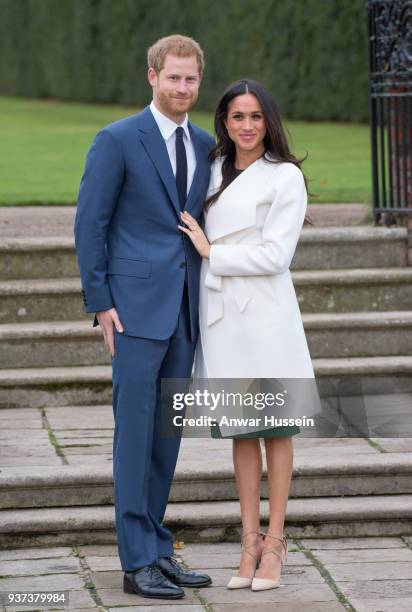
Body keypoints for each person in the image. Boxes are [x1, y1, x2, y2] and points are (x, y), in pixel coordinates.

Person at [74, 34, 215, 600]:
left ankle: (157, 547)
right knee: (134, 435)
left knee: (166, 435)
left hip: (185, 309)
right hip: (132, 313)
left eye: (191, 79)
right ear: (151, 76)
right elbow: (91, 223)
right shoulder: (116, 140)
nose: (183, 88)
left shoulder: (206, 144)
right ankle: (136, 564)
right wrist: (100, 302)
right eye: (173, 77)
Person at [178, 79, 315, 592]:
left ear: (269, 121)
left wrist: (215, 253)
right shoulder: (211, 166)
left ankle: (276, 543)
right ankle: (249, 542)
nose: (247, 125)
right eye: (238, 116)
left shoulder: (285, 178)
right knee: (239, 430)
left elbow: (277, 256)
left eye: (256, 116)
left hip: (266, 316)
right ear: (225, 121)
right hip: (222, 316)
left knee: (277, 427)